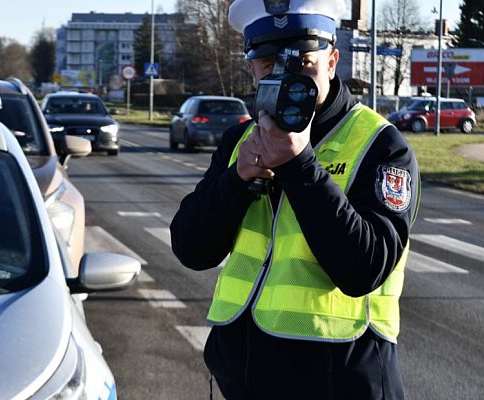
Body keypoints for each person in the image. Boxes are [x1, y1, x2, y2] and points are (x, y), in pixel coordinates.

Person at [170, 0, 420, 398]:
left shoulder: (381, 144)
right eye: (269, 63)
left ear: (333, 59)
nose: (285, 77)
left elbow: (365, 268)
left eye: (303, 62)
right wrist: (237, 180)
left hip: (338, 386)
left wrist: (300, 166)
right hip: (242, 383)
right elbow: (190, 248)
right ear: (250, 69)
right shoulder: (241, 140)